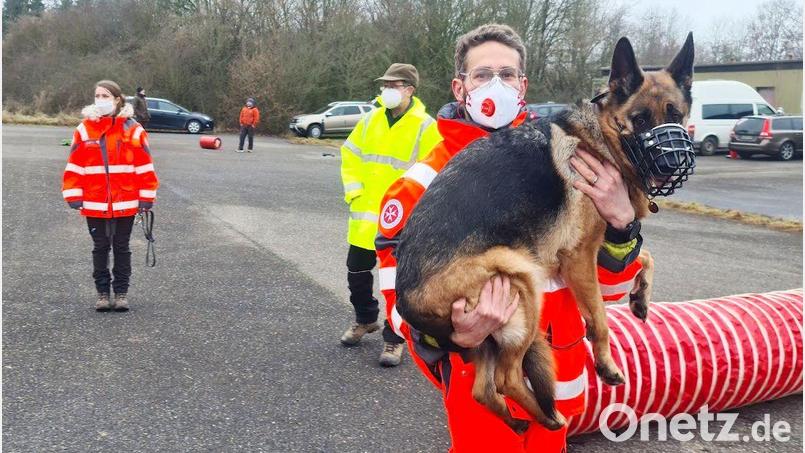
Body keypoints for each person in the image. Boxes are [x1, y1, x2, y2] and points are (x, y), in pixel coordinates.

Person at [375, 24, 644, 451]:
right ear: (459, 86)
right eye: (482, 75)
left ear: (523, 85)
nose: (495, 84)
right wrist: (453, 335)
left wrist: (623, 224)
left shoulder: (574, 162)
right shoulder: (419, 184)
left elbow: (611, 292)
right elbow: (398, 303)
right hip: (481, 396)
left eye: (507, 74)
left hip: (559, 381)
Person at [339, 63, 442, 366]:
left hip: (402, 222)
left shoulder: (426, 126)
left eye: (394, 85)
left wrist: (420, 211)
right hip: (365, 216)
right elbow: (350, 155)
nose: (388, 90)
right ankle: (365, 318)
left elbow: (436, 170)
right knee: (356, 273)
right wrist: (354, 192)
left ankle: (393, 339)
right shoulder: (370, 120)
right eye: (385, 84)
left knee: (397, 284)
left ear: (410, 90)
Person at [62, 80, 159, 312]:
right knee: (100, 247)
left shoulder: (134, 129)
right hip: (94, 201)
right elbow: (75, 164)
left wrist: (146, 197)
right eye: (97, 95)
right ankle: (103, 294)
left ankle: (121, 293)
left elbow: (144, 166)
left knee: (122, 247)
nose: (100, 99)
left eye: (105, 95)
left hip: (126, 200)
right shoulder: (84, 129)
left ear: (117, 99)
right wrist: (73, 193)